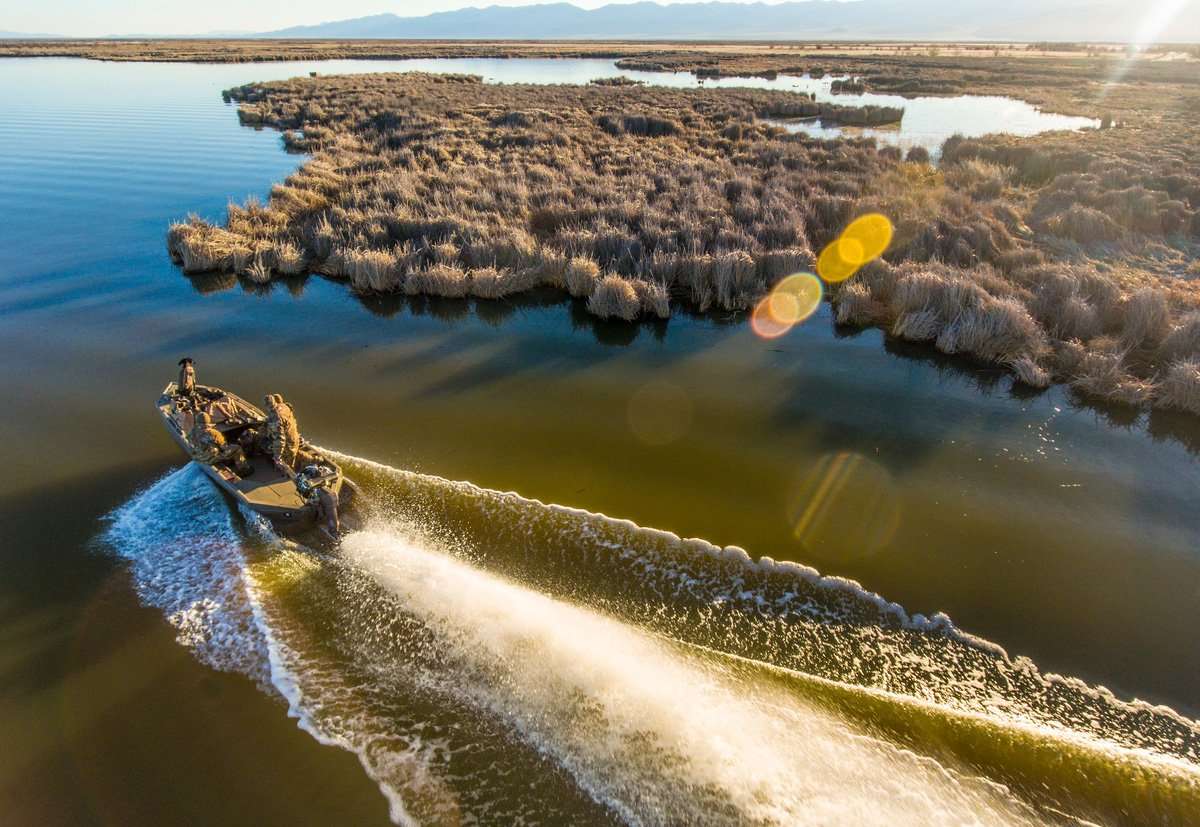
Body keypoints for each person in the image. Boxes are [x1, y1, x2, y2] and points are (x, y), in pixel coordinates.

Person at [264, 393, 301, 471]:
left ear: (267, 406)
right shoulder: (285, 406)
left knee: (267, 447)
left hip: (289, 447)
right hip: (295, 438)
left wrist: (277, 457)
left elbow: (280, 440)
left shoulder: (275, 419)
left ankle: (284, 472)